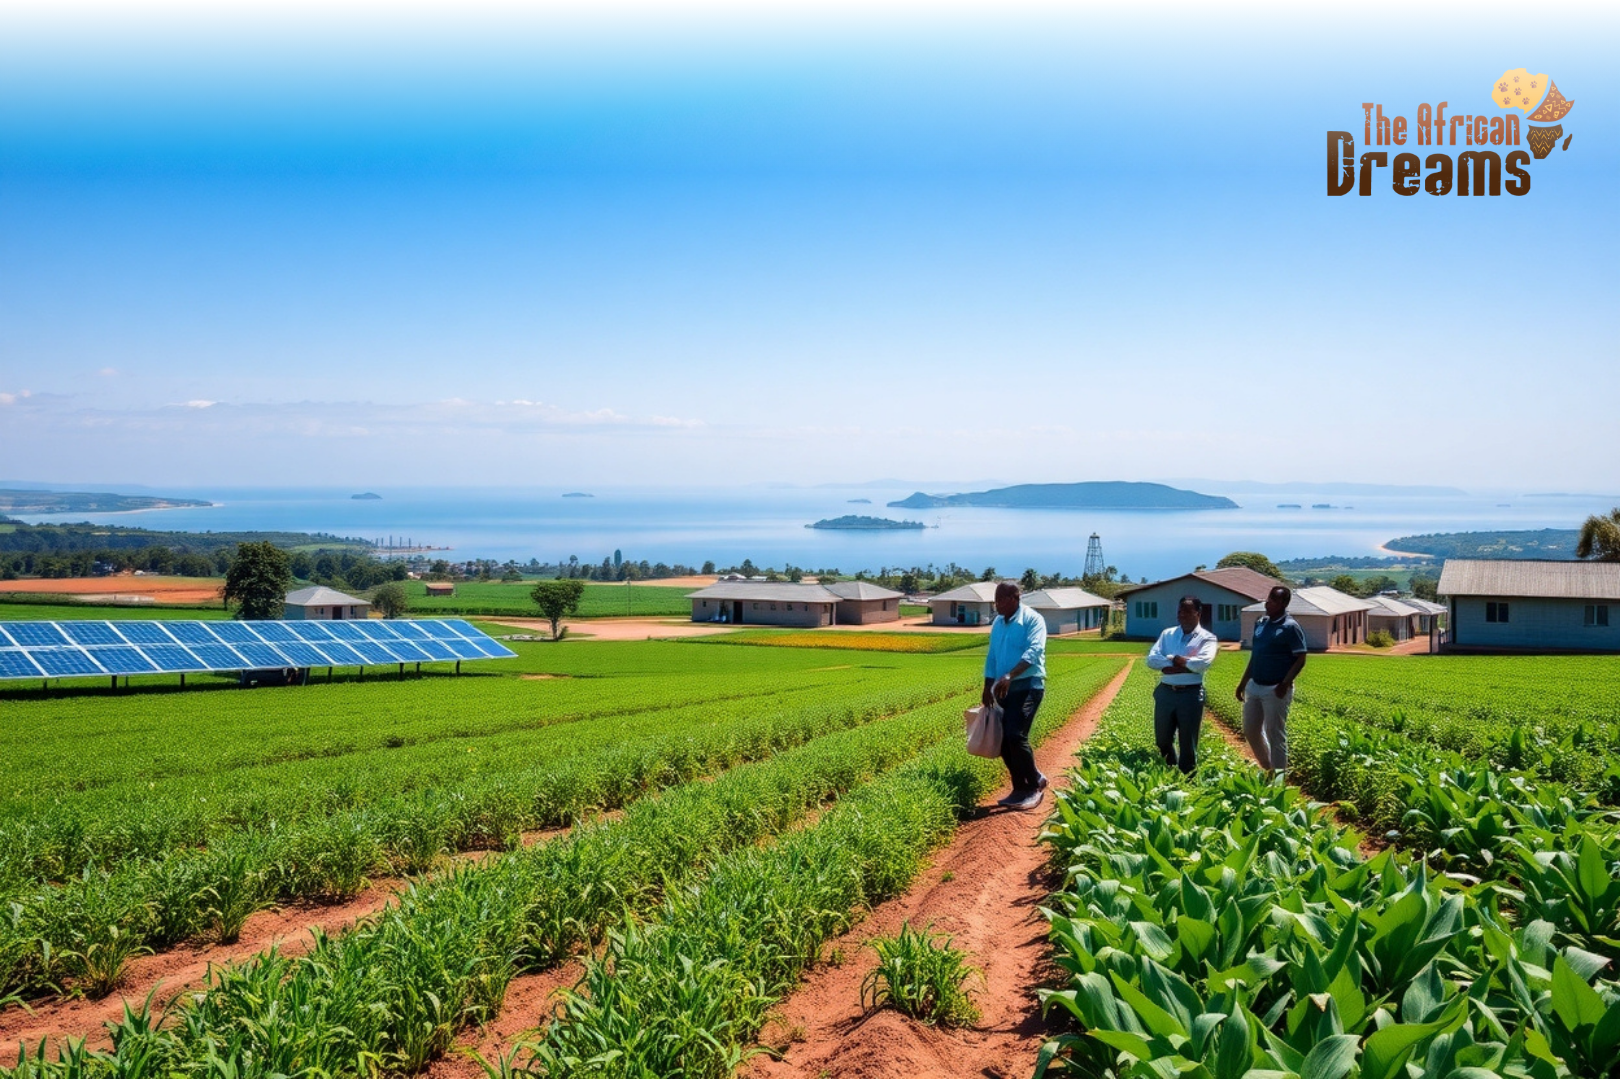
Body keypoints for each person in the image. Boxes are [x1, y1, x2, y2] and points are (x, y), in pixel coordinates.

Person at [981, 581, 1048, 811]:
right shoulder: (998, 623)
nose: (996, 604)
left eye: (1000, 600)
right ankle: (1021, 786)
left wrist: (1010, 675)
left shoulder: (1033, 619)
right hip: (1002, 688)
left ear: (1015, 598)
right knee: (1003, 741)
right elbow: (992, 656)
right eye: (995, 600)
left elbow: (1034, 651)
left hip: (1028, 685)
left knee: (1015, 735)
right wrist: (987, 686)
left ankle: (1032, 788)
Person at [1235, 585, 1308, 776]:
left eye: (1274, 600)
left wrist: (1284, 683)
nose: (1268, 603)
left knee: (1275, 735)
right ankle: (1269, 769)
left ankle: (1278, 782)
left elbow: (1301, 658)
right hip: (1255, 685)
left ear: (1284, 603)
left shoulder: (1290, 627)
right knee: (1251, 730)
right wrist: (1243, 683)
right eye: (1268, 599)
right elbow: (1255, 656)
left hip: (1275, 689)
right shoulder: (1261, 623)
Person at [1144, 595, 1219, 773]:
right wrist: (1179, 663)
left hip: (1190, 695)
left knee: (1188, 741)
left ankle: (1187, 777)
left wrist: (1175, 660)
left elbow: (1202, 663)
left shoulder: (1207, 638)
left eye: (1186, 611)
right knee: (1162, 739)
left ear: (1198, 613)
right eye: (1179, 611)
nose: (1181, 615)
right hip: (1166, 692)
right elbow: (1152, 659)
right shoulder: (1167, 634)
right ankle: (1170, 769)